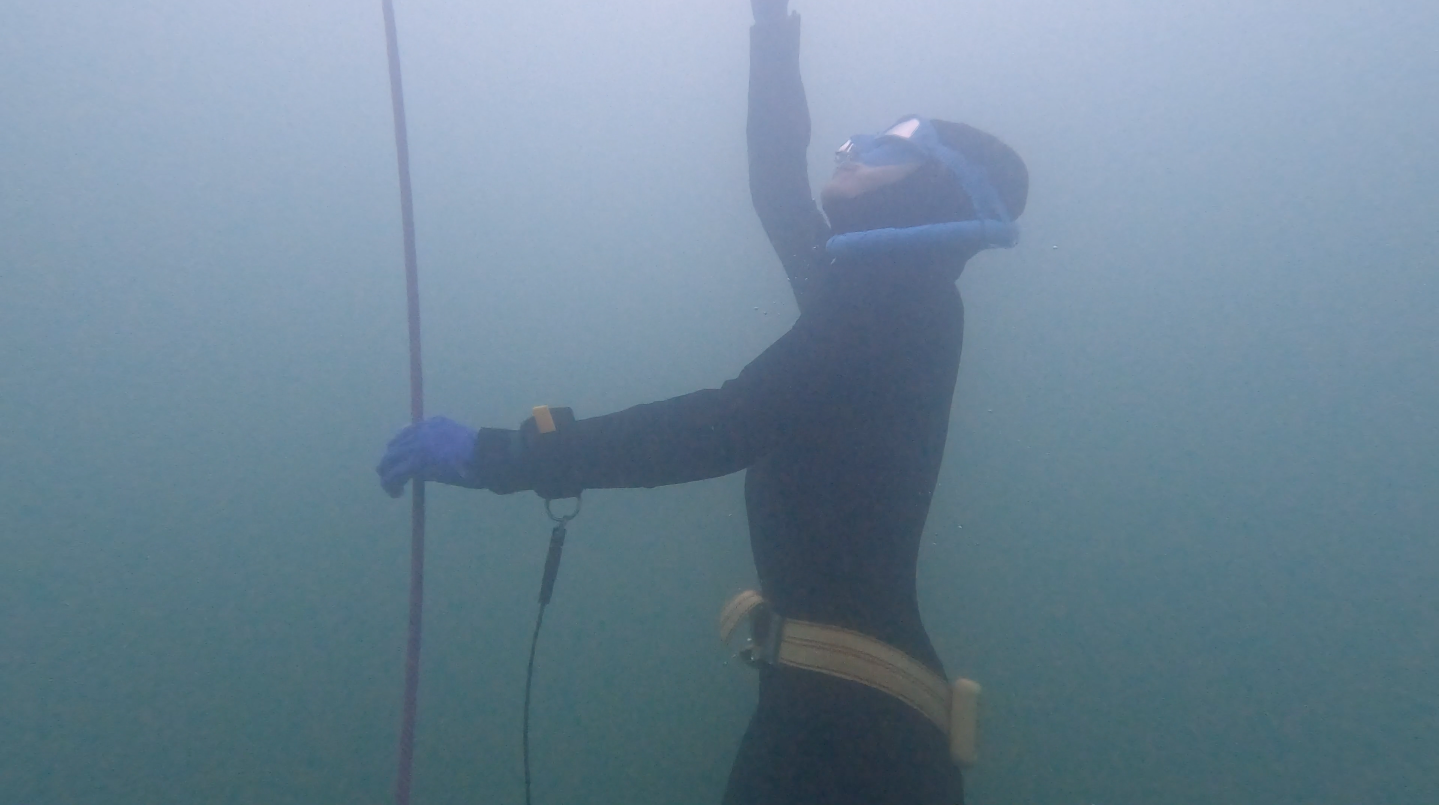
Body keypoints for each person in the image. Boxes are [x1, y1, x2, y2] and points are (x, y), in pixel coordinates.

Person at [376, 0, 1028, 801]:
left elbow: (725, 424)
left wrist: (507, 454)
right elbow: (776, 183)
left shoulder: (897, 304)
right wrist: (772, 29)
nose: (849, 147)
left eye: (887, 145)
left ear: (937, 184)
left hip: (847, 734)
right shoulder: (881, 295)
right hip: (851, 716)